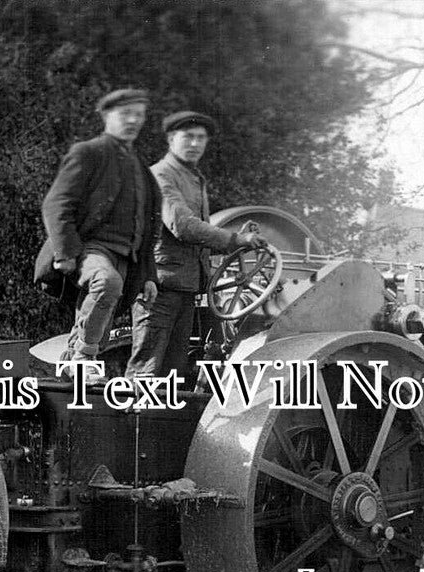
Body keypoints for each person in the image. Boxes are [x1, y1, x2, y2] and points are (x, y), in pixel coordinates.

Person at [125, 110, 267, 379]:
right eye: (188, 136)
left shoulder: (192, 179)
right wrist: (235, 240)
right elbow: (183, 226)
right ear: (170, 138)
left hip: (186, 288)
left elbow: (197, 240)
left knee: (173, 372)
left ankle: (161, 419)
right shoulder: (160, 176)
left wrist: (239, 241)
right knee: (146, 368)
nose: (195, 144)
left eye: (201, 138)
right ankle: (137, 419)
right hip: (158, 287)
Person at [33, 88, 162, 372]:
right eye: (125, 114)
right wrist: (65, 252)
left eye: (138, 115)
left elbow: (150, 228)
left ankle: (76, 363)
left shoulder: (141, 168)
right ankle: (82, 356)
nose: (132, 121)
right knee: (107, 282)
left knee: (106, 309)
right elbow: (56, 203)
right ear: (106, 116)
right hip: (90, 247)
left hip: (128, 256)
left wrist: (149, 276)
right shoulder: (88, 152)